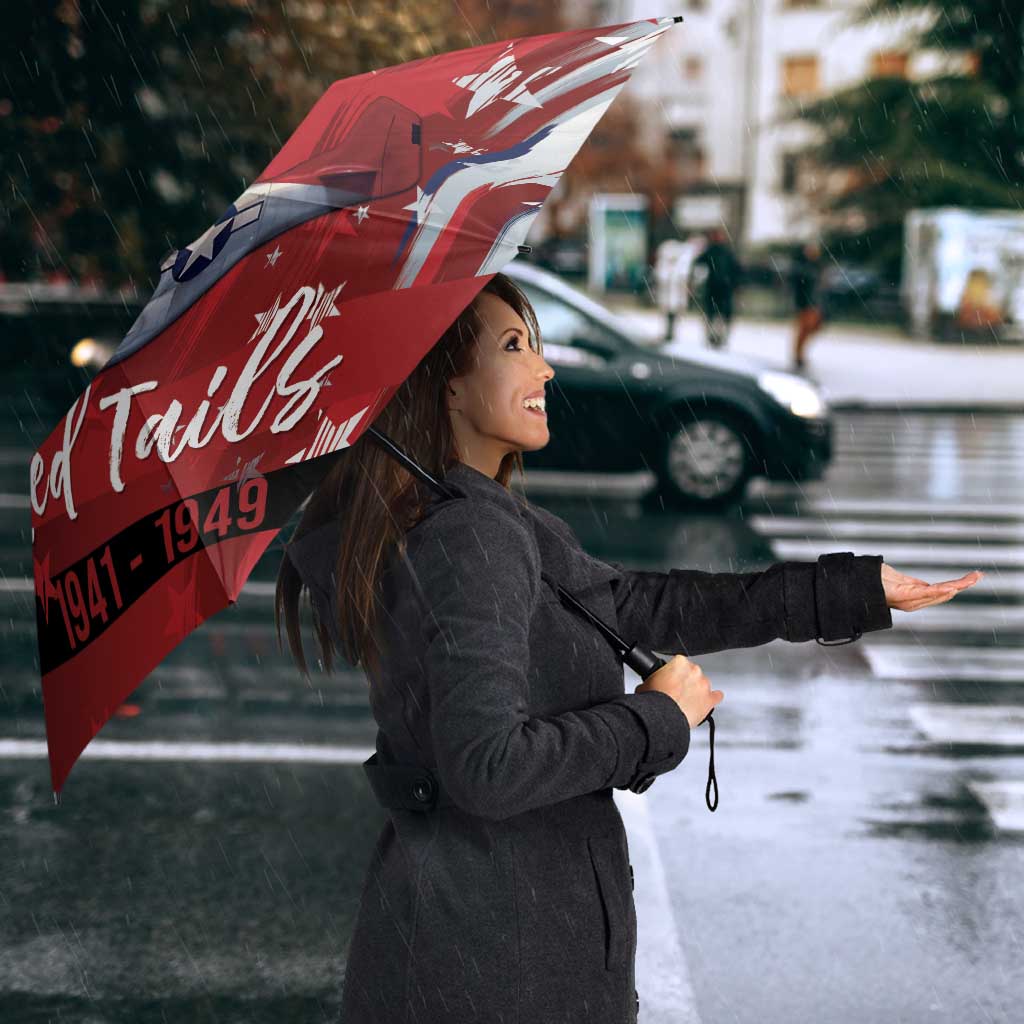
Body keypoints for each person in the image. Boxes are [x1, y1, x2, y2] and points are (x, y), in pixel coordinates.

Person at [275, 272, 982, 1024]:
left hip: (481, 944)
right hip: (496, 962)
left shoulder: (480, 519)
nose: (544, 368)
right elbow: (487, 767)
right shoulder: (469, 536)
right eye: (515, 346)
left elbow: (644, 605)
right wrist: (655, 719)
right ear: (446, 388)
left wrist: (850, 590)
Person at [692, 226, 742, 349]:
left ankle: (719, 337)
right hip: (715, 288)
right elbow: (698, 264)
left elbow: (736, 270)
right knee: (713, 314)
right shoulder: (712, 251)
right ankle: (713, 337)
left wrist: (735, 284)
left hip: (723, 288)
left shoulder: (725, 252)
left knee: (720, 315)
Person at [790, 239, 826, 370]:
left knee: (812, 328)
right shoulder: (802, 267)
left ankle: (799, 354)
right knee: (804, 329)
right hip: (805, 303)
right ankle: (798, 355)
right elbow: (799, 286)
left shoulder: (817, 266)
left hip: (814, 303)